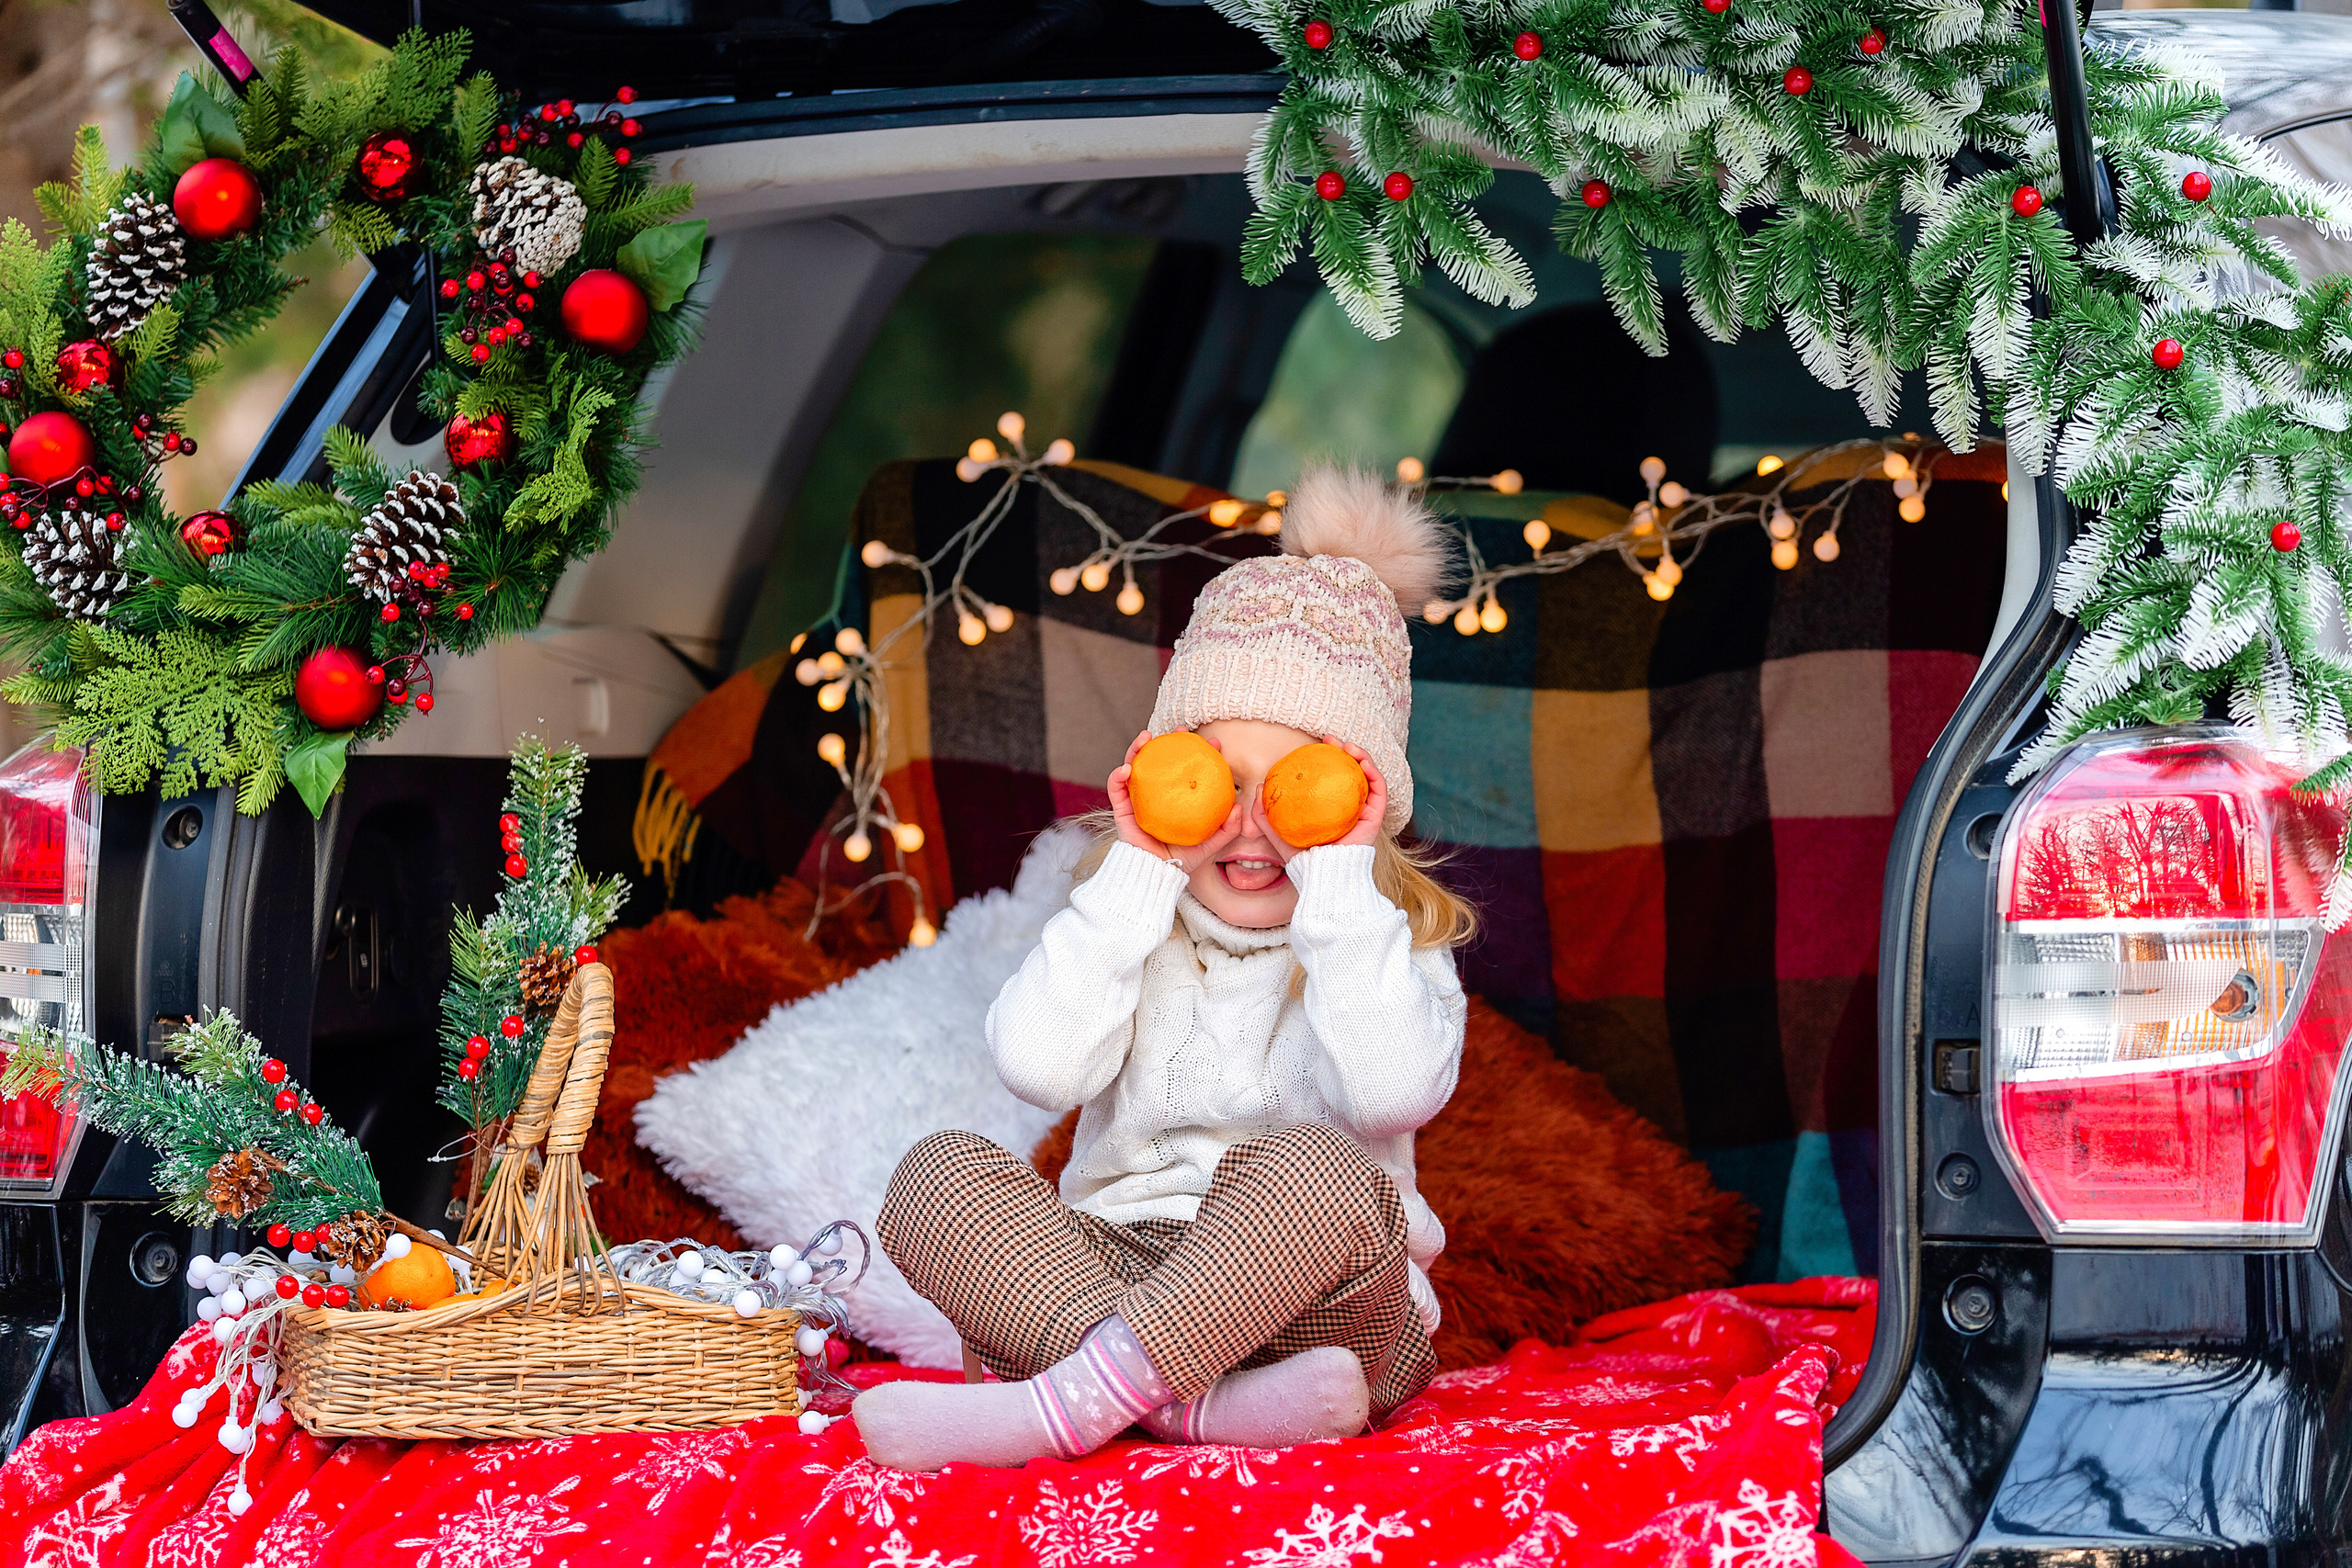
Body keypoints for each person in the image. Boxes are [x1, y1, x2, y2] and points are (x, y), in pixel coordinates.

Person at [853, 467, 1476, 1472]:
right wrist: (1139, 871)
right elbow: (1037, 1069)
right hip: (1116, 1279)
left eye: (1294, 788)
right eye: (1212, 783)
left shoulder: (1390, 944)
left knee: (1311, 1164)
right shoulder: (1131, 926)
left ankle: (1061, 1406)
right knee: (937, 1178)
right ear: (1159, 778)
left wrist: (1343, 887)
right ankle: (1193, 1409)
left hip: (1325, 1305)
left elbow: (1389, 1092)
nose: (1250, 824)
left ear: (1362, 802)